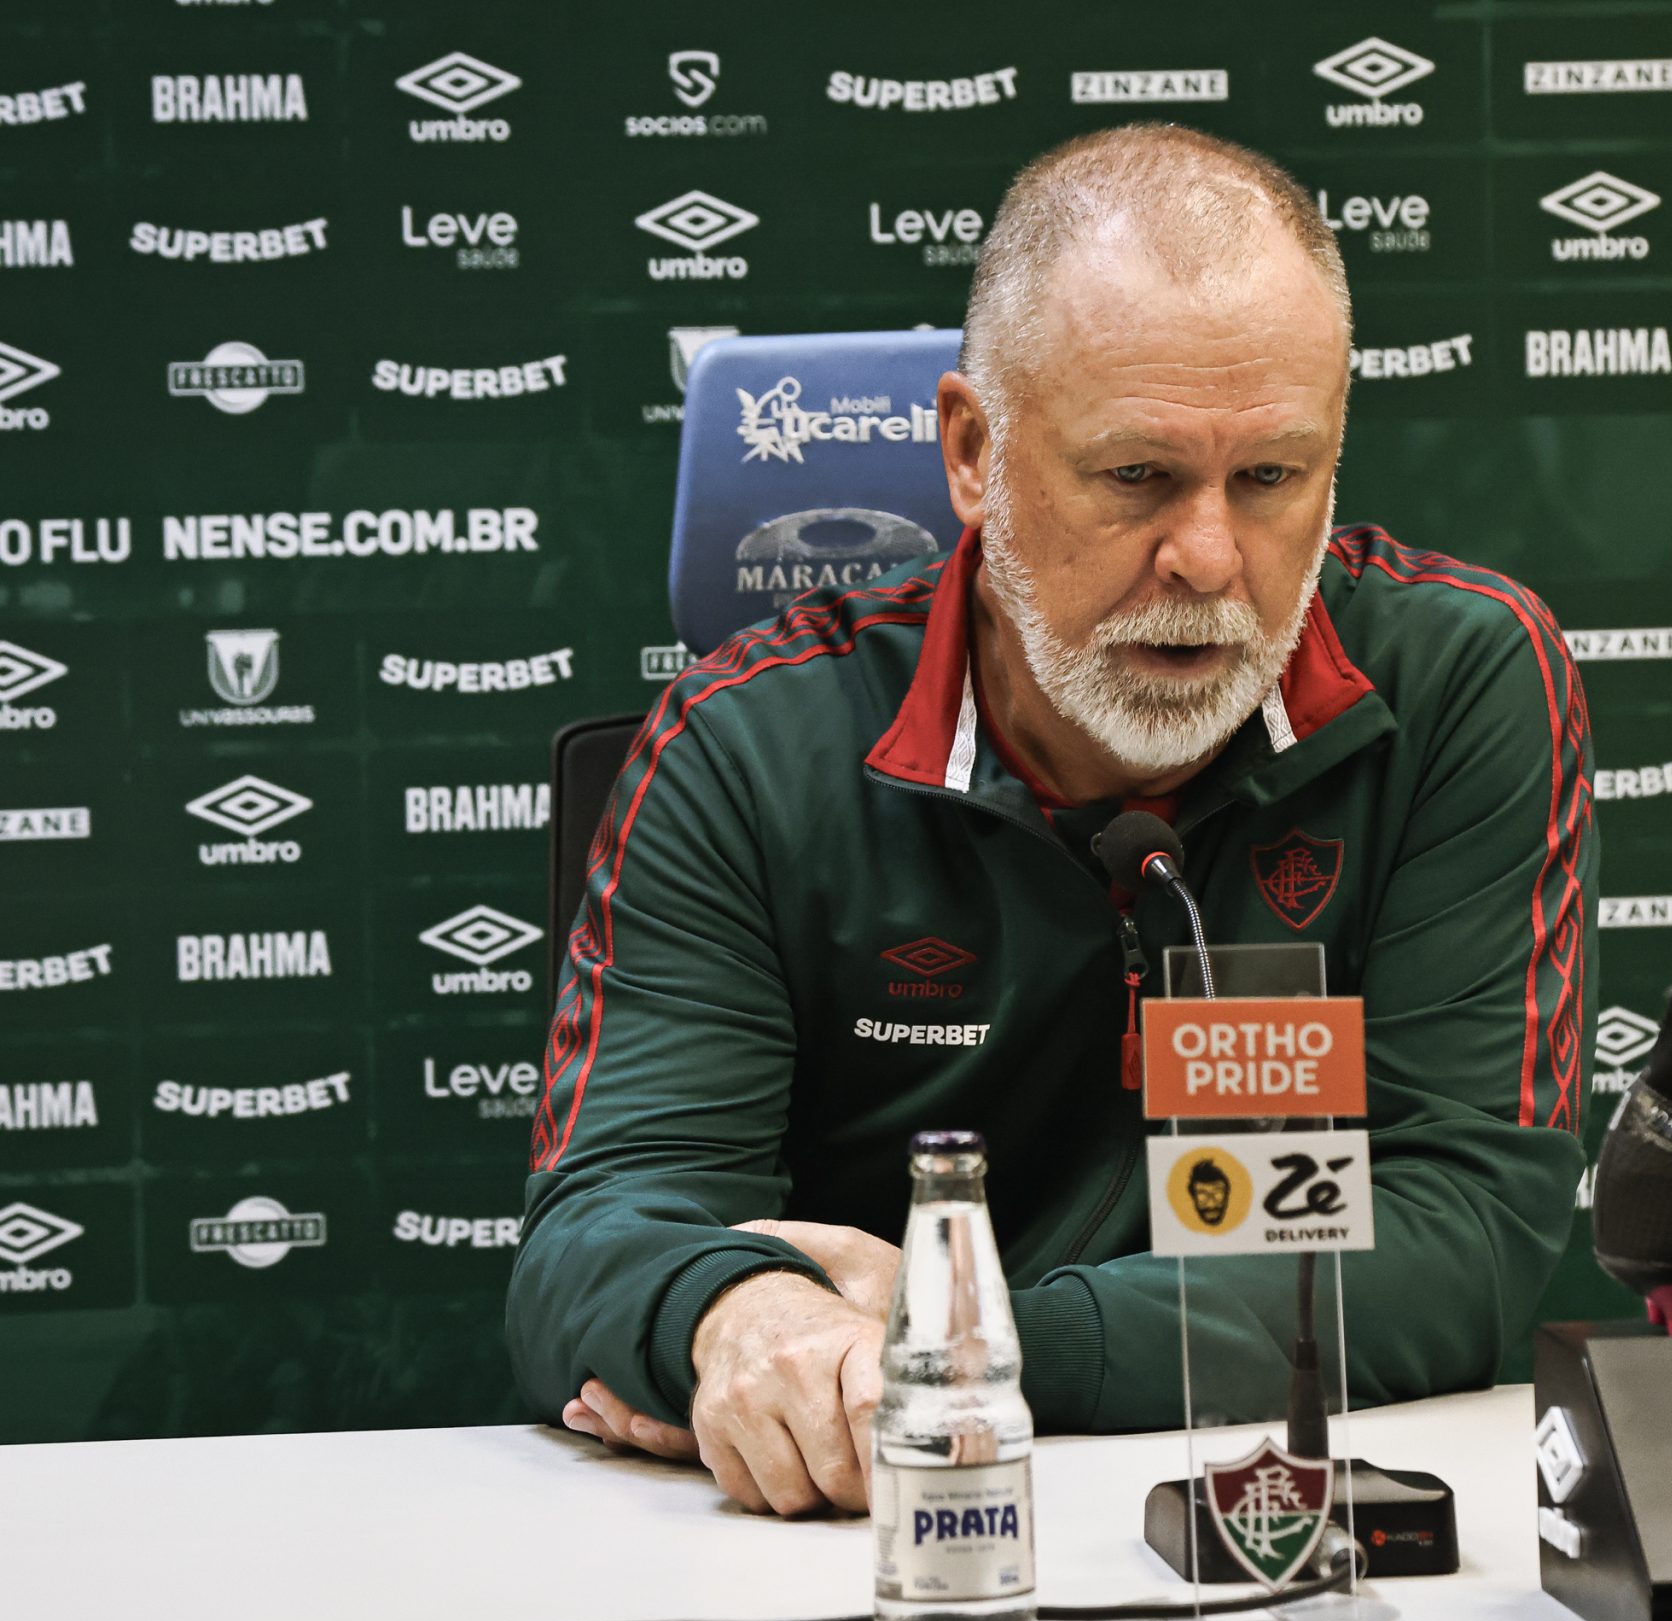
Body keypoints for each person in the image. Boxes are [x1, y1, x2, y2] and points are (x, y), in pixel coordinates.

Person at [508, 123, 1594, 1517]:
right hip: (865, 1533)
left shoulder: (1457, 685)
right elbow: (598, 1235)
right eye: (1136, 476)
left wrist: (972, 1339)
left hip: (1282, 1522)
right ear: (971, 449)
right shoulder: (743, 747)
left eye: (1272, 478)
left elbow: (1465, 1243)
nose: (1210, 558)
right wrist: (742, 1325)